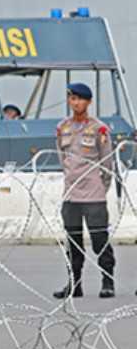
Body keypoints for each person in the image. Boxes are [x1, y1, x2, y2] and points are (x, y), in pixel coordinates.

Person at [53, 83, 116, 299]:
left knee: (99, 239)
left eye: (80, 99)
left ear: (89, 102)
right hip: (71, 195)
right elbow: (63, 159)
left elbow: (107, 164)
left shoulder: (99, 129)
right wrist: (71, 180)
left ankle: (108, 281)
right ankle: (74, 284)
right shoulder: (63, 127)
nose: (76, 103)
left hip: (94, 194)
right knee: (73, 242)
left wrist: (101, 187)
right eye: (72, 99)